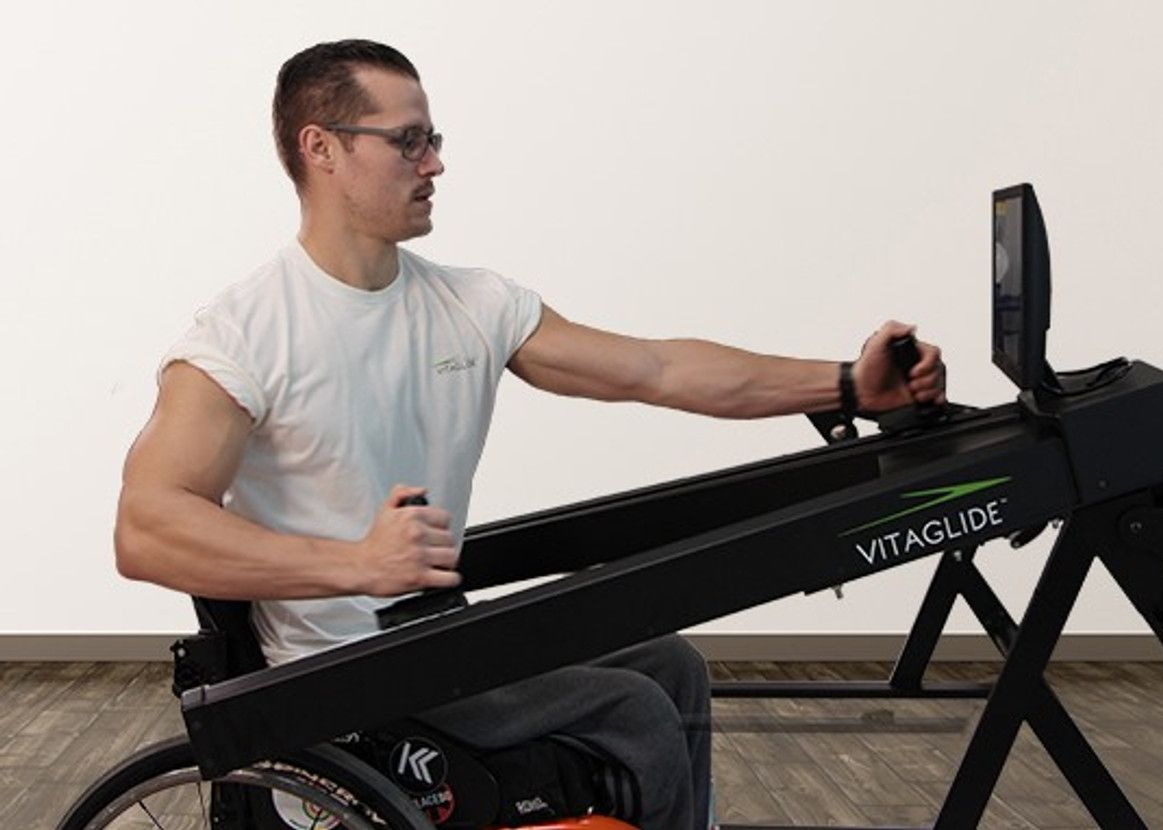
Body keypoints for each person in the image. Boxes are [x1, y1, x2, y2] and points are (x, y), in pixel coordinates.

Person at [113, 39, 946, 830]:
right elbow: (145, 526)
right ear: (322, 148)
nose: (435, 162)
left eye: (432, 138)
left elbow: (655, 369)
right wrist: (355, 564)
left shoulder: (471, 305)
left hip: (430, 640)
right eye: (408, 141)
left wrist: (844, 385)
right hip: (341, 679)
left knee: (672, 666)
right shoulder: (246, 334)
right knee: (633, 711)